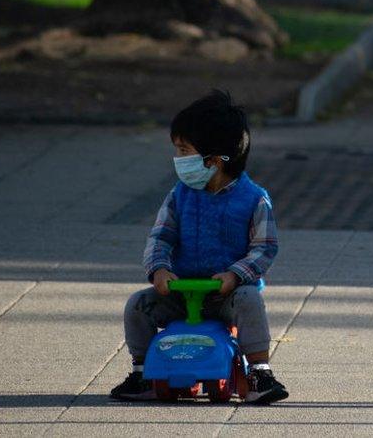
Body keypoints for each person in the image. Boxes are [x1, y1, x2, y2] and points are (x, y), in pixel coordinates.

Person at [110, 90, 288, 404]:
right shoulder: (180, 195)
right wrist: (160, 269)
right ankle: (142, 371)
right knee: (138, 304)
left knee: (250, 300)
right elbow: (160, 237)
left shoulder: (253, 199)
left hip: (227, 295)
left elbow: (265, 248)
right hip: (181, 292)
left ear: (214, 160)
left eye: (183, 150)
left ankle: (259, 372)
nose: (178, 159)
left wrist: (235, 275)